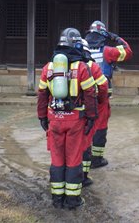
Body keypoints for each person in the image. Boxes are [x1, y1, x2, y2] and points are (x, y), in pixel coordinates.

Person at [37, 28, 98, 209]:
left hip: (54, 119)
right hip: (75, 121)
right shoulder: (82, 68)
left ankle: (57, 199)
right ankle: (73, 200)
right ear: (76, 45)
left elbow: (42, 94)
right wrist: (92, 117)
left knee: (57, 158)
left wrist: (42, 116)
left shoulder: (48, 68)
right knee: (73, 159)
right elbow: (90, 94)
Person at [85, 20, 133, 169]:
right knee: (100, 126)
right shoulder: (107, 51)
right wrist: (116, 38)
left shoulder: (79, 51)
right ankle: (96, 159)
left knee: (84, 126)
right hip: (101, 97)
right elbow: (128, 51)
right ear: (103, 35)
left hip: (82, 97)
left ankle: (83, 159)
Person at [77, 39, 109, 187]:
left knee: (67, 146)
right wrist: (100, 103)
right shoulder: (92, 66)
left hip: (66, 112)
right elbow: (103, 87)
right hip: (87, 110)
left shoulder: (58, 66)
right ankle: (83, 176)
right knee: (85, 143)